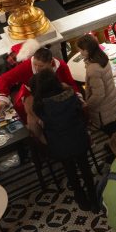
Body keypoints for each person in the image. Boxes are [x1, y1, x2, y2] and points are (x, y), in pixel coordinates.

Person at [30, 69, 96, 210]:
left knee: (70, 171)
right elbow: (80, 112)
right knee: (85, 168)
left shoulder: (40, 106)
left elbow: (40, 125)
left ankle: (81, 197)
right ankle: (93, 196)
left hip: (60, 145)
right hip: (79, 138)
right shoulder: (70, 95)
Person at [0, 44, 80, 124]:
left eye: (41, 66)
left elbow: (70, 83)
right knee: (33, 121)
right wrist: (1, 100)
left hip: (55, 97)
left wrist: (79, 99)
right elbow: (3, 79)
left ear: (50, 63)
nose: (37, 68)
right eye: (35, 64)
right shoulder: (26, 66)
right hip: (32, 95)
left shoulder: (61, 66)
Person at [76, 34, 116, 133]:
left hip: (103, 109)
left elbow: (99, 95)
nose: (79, 52)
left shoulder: (93, 69)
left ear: (87, 51)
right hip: (111, 100)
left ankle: (115, 147)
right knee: (114, 126)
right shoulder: (102, 56)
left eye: (80, 50)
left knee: (111, 131)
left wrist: (88, 104)